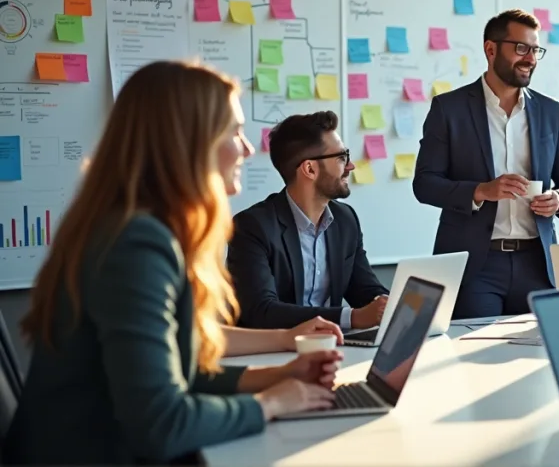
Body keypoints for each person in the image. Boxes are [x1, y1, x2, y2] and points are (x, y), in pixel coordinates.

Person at [3, 62, 340, 465]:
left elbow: (181, 370)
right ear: (190, 142)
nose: (248, 149)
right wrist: (270, 403)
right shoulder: (136, 244)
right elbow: (161, 424)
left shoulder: (133, 227)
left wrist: (280, 375)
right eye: (234, 132)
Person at [413, 9, 559, 318]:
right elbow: (425, 184)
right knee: (475, 346)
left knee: (540, 346)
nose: (530, 59)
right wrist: (481, 191)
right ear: (490, 49)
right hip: (475, 266)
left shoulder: (551, 111)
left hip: (537, 263)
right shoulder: (448, 109)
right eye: (521, 48)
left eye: (535, 50)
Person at [228, 111, 389, 331]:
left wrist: (392, 305)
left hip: (333, 345)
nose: (350, 166)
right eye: (341, 157)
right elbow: (261, 311)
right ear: (310, 169)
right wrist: (351, 317)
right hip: (273, 348)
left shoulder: (345, 220)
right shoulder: (252, 227)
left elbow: (366, 291)